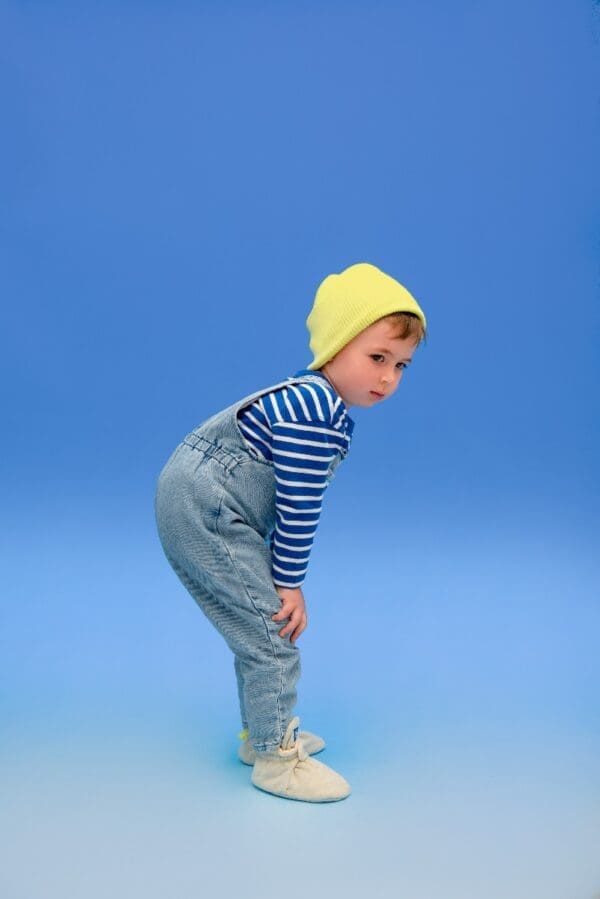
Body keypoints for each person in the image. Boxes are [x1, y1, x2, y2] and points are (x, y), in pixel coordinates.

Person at [154, 262, 427, 802]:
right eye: (377, 358)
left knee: (256, 630)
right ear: (334, 347)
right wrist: (289, 583)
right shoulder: (313, 410)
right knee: (273, 633)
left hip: (202, 504)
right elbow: (299, 505)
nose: (388, 378)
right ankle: (276, 761)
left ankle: (262, 735)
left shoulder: (310, 398)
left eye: (401, 365)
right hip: (207, 510)